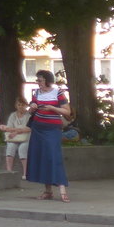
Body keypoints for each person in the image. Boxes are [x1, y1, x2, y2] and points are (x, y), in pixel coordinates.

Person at [27, 69, 71, 202]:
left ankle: (62, 188)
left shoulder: (58, 92)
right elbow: (30, 111)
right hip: (38, 128)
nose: (38, 83)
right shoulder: (37, 93)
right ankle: (48, 191)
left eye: (40, 80)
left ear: (47, 80)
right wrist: (32, 107)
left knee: (53, 157)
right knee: (43, 158)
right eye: (37, 80)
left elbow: (67, 111)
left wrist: (52, 108)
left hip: (52, 129)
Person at [0, 96, 31, 177]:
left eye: (22, 105)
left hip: (25, 138)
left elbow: (28, 129)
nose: (20, 106)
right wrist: (15, 130)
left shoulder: (29, 116)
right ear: (16, 105)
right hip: (14, 138)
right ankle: (9, 171)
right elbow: (8, 127)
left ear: (26, 105)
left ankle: (25, 173)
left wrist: (15, 131)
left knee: (22, 149)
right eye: (19, 105)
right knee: (10, 147)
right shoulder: (13, 115)